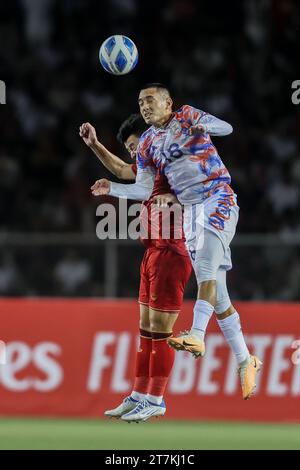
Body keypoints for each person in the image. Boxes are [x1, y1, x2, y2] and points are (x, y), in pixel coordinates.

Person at [99, 84, 262, 401]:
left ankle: (197, 335)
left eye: (150, 100)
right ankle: (247, 360)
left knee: (204, 268)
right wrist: (113, 189)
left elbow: (226, 127)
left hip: (218, 197)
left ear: (167, 102)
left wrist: (206, 124)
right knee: (219, 297)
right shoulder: (147, 143)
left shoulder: (187, 116)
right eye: (140, 102)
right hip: (191, 212)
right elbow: (144, 188)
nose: (145, 106)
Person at [79, 115, 192, 422]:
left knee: (160, 333)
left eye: (134, 145)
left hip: (171, 253)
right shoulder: (149, 170)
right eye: (129, 148)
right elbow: (120, 170)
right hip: (152, 254)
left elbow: (195, 190)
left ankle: (157, 398)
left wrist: (114, 189)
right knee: (145, 331)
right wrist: (95, 145)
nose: (132, 153)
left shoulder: (174, 166)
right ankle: (139, 395)